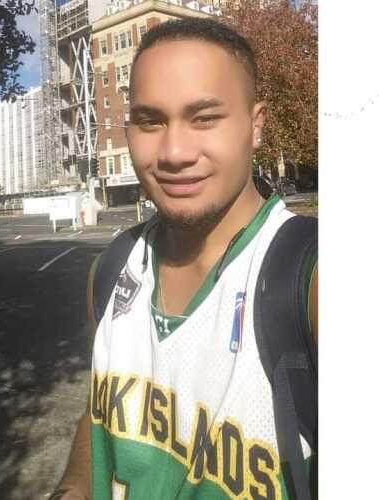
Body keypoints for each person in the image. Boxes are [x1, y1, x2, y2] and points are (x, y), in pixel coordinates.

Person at [50, 17, 317, 500]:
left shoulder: (311, 280)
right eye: (150, 121)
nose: (173, 152)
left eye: (205, 118)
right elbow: (100, 408)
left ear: (256, 125)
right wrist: (73, 488)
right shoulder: (111, 270)